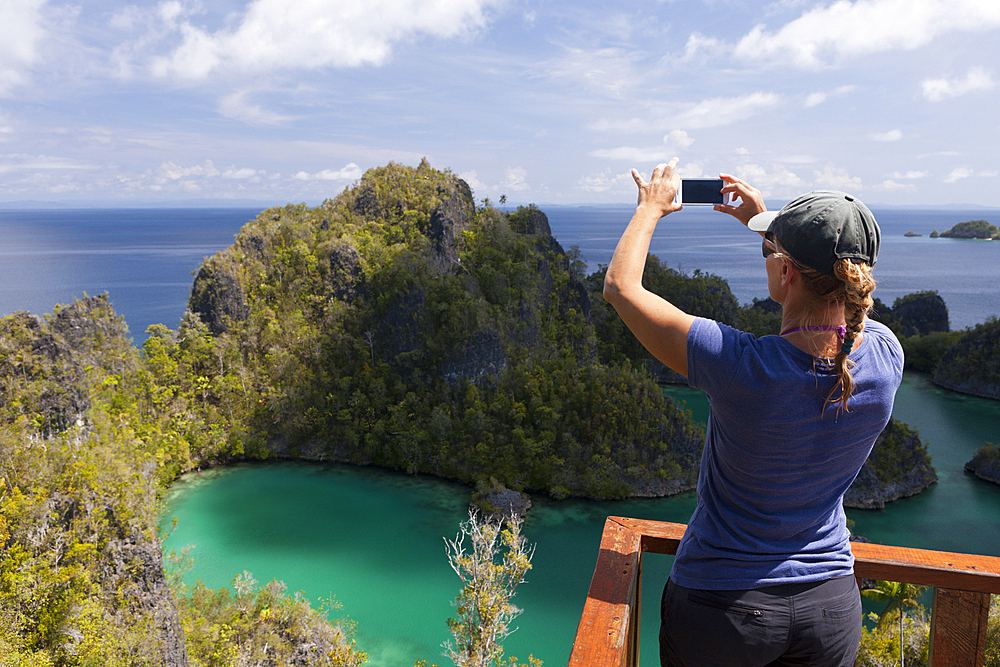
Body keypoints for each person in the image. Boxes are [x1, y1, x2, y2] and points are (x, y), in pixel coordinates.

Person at [602, 158, 903, 667]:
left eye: (778, 255)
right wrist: (767, 228)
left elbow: (621, 288)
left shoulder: (740, 365)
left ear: (785, 272)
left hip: (723, 609)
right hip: (829, 609)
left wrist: (649, 209)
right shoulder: (884, 357)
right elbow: (841, 312)